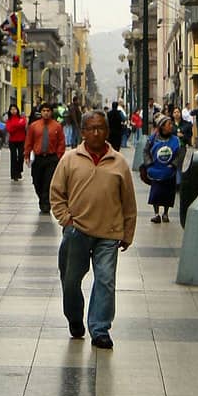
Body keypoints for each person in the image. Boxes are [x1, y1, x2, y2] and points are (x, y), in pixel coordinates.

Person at [50, 109, 137, 349]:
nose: (97, 133)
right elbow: (56, 193)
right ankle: (75, 318)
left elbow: (128, 201)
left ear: (107, 131)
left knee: (106, 281)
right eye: (92, 128)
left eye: (101, 128)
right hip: (77, 230)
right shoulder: (69, 159)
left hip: (108, 234)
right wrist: (66, 219)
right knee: (70, 281)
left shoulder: (118, 162)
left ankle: (100, 329)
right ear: (83, 132)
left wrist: (127, 232)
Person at [24, 101, 66, 214]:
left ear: (51, 112)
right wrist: (27, 154)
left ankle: (45, 204)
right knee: (37, 181)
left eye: (48, 111)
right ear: (40, 112)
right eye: (44, 111)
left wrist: (59, 156)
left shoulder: (57, 126)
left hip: (51, 158)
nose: (46, 113)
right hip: (38, 158)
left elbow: (61, 142)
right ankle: (41, 198)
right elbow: (29, 141)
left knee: (48, 182)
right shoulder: (34, 126)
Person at [143, 115, 183, 223]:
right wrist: (149, 164)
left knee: (168, 193)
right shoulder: (153, 139)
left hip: (169, 172)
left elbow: (179, 153)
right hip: (156, 170)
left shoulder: (175, 140)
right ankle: (156, 214)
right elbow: (146, 151)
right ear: (162, 126)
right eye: (169, 124)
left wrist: (173, 165)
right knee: (156, 193)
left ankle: (165, 213)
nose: (171, 126)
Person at [5, 104, 28, 181]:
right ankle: (14, 174)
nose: (13, 111)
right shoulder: (9, 120)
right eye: (11, 109)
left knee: (21, 156)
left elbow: (23, 124)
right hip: (12, 141)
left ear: (17, 110)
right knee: (13, 157)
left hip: (21, 140)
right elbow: (9, 129)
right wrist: (18, 125)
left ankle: (19, 171)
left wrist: (15, 126)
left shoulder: (22, 118)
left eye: (14, 109)